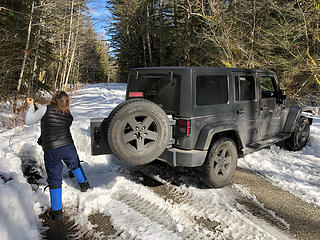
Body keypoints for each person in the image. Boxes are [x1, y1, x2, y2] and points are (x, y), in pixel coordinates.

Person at [25, 91, 90, 221]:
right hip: (67, 146)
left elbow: (28, 121)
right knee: (75, 164)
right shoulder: (68, 115)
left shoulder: (45, 109)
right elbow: (55, 125)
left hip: (51, 149)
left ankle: (57, 212)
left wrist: (31, 106)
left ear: (54, 98)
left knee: (54, 178)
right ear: (67, 102)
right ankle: (84, 185)